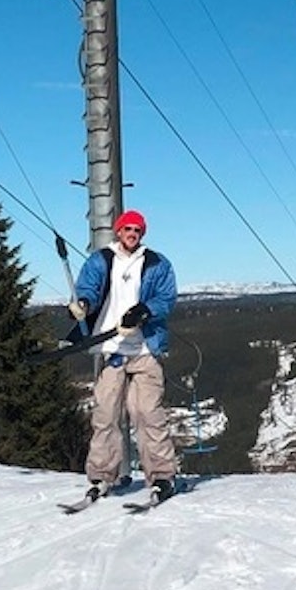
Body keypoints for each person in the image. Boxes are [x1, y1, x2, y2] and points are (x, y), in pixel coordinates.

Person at [67, 209, 179, 505]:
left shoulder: (156, 263)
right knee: (105, 415)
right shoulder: (101, 259)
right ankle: (102, 476)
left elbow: (167, 298)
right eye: (128, 229)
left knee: (148, 415)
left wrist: (145, 310)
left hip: (145, 350)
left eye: (137, 230)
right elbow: (88, 287)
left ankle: (163, 476)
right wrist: (83, 303)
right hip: (112, 351)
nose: (132, 234)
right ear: (118, 231)